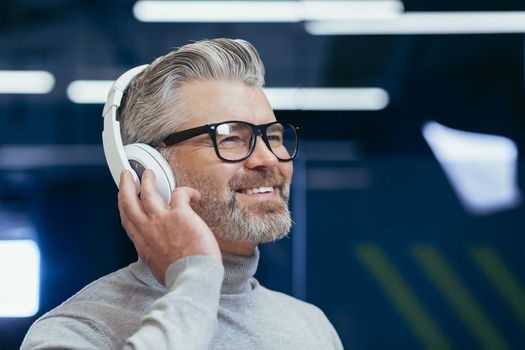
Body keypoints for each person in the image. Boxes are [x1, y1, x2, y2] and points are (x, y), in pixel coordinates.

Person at [21, 38, 343, 349]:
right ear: (151, 169)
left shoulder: (311, 327)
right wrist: (196, 278)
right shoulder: (77, 330)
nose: (269, 159)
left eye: (272, 136)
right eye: (231, 138)